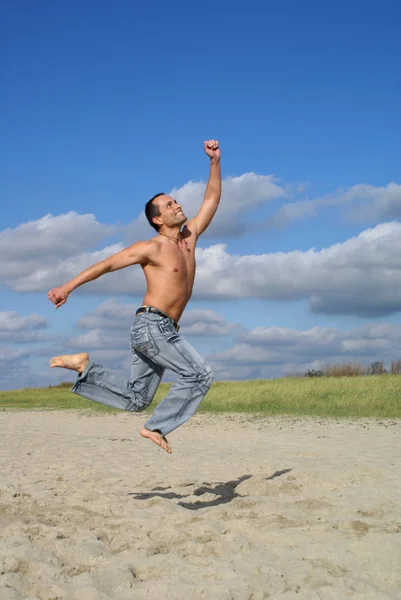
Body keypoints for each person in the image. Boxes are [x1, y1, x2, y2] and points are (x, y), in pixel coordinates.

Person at [48, 139, 221, 454]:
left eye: (176, 201)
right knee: (199, 373)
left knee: (137, 398)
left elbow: (211, 199)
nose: (177, 205)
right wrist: (68, 287)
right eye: (169, 205)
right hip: (152, 326)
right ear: (157, 219)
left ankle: (85, 368)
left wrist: (214, 162)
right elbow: (108, 264)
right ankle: (156, 427)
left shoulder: (189, 237)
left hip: (164, 330)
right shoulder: (151, 247)